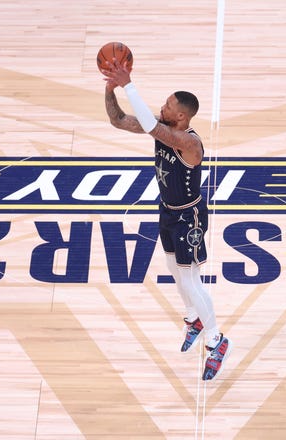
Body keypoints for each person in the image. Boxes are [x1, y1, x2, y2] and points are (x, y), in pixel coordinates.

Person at [101, 58, 231, 381]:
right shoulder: (160, 125)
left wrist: (128, 83)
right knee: (174, 271)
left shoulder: (189, 143)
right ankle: (194, 319)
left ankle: (216, 341)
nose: (163, 105)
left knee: (191, 279)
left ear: (182, 117)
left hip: (190, 217)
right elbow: (118, 120)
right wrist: (110, 89)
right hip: (167, 211)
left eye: (169, 105)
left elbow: (150, 127)